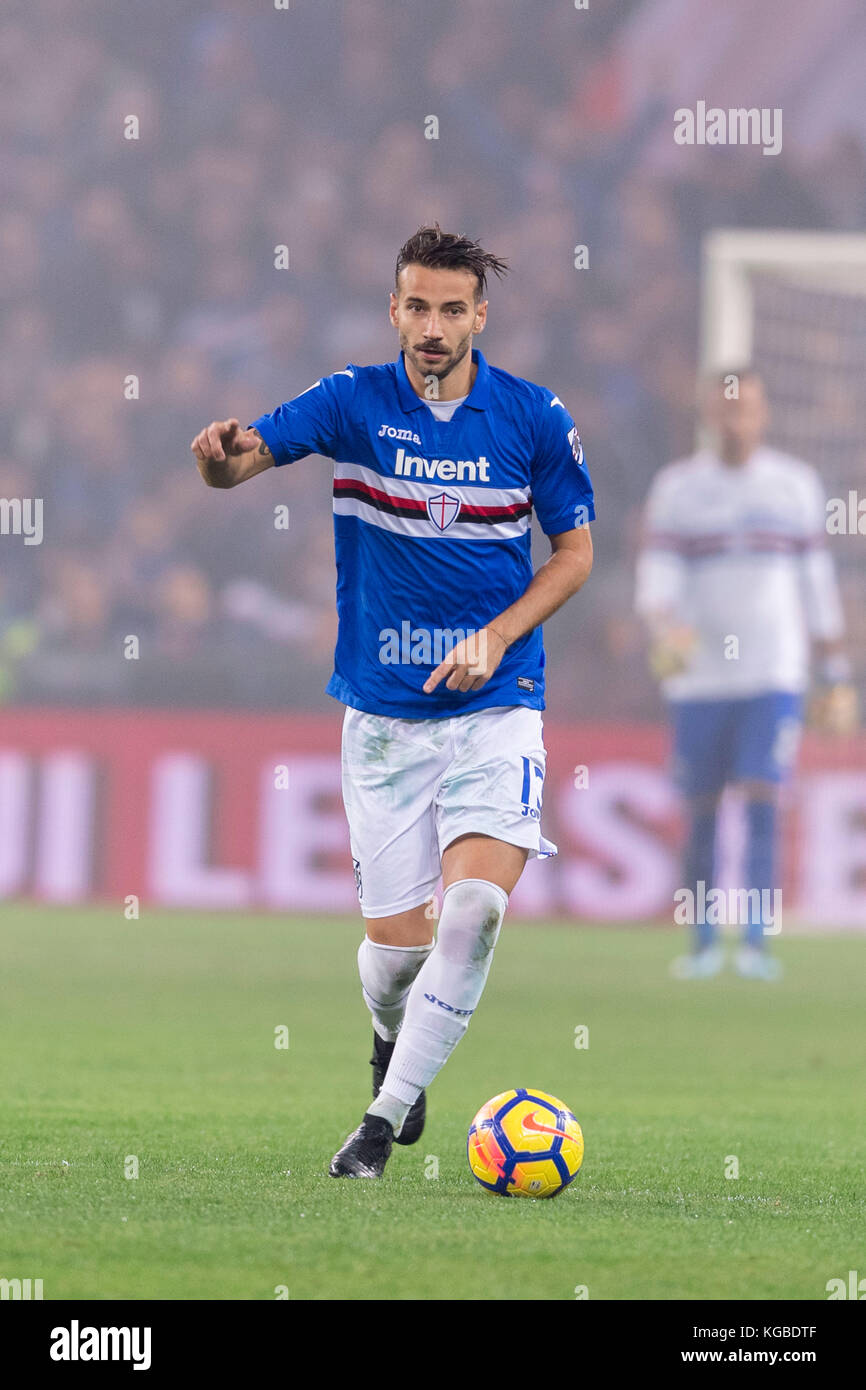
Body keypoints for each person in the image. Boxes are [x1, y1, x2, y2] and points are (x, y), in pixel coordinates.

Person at [191, 225, 595, 1176]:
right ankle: (389, 1038)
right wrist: (217, 455)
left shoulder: (534, 417)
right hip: (383, 719)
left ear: (479, 317)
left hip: (501, 701)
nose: (433, 325)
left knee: (478, 911)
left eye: (453, 308)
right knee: (396, 958)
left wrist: (498, 634)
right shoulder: (351, 401)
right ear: (394, 309)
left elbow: (575, 553)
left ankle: (381, 1121)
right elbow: (241, 462)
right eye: (417, 305)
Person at [635, 369, 856, 981]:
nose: (736, 421)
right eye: (725, 409)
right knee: (702, 810)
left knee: (763, 798)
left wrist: (835, 670)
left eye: (747, 409)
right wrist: (662, 624)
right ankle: (704, 942)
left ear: (763, 414)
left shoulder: (794, 485)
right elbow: (658, 573)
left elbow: (815, 582)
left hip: (773, 671)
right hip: (699, 678)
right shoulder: (679, 488)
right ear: (708, 414)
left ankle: (756, 942)